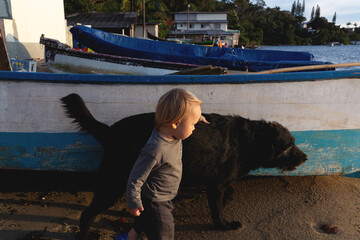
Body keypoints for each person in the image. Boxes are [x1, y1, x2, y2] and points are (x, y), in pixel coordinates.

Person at [126, 88, 209, 240]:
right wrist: (133, 201)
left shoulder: (171, 132)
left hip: (164, 194)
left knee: (145, 222)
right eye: (192, 124)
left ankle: (128, 237)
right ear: (175, 123)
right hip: (157, 201)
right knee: (164, 231)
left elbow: (184, 119)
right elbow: (135, 177)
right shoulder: (156, 149)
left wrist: (198, 117)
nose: (194, 127)